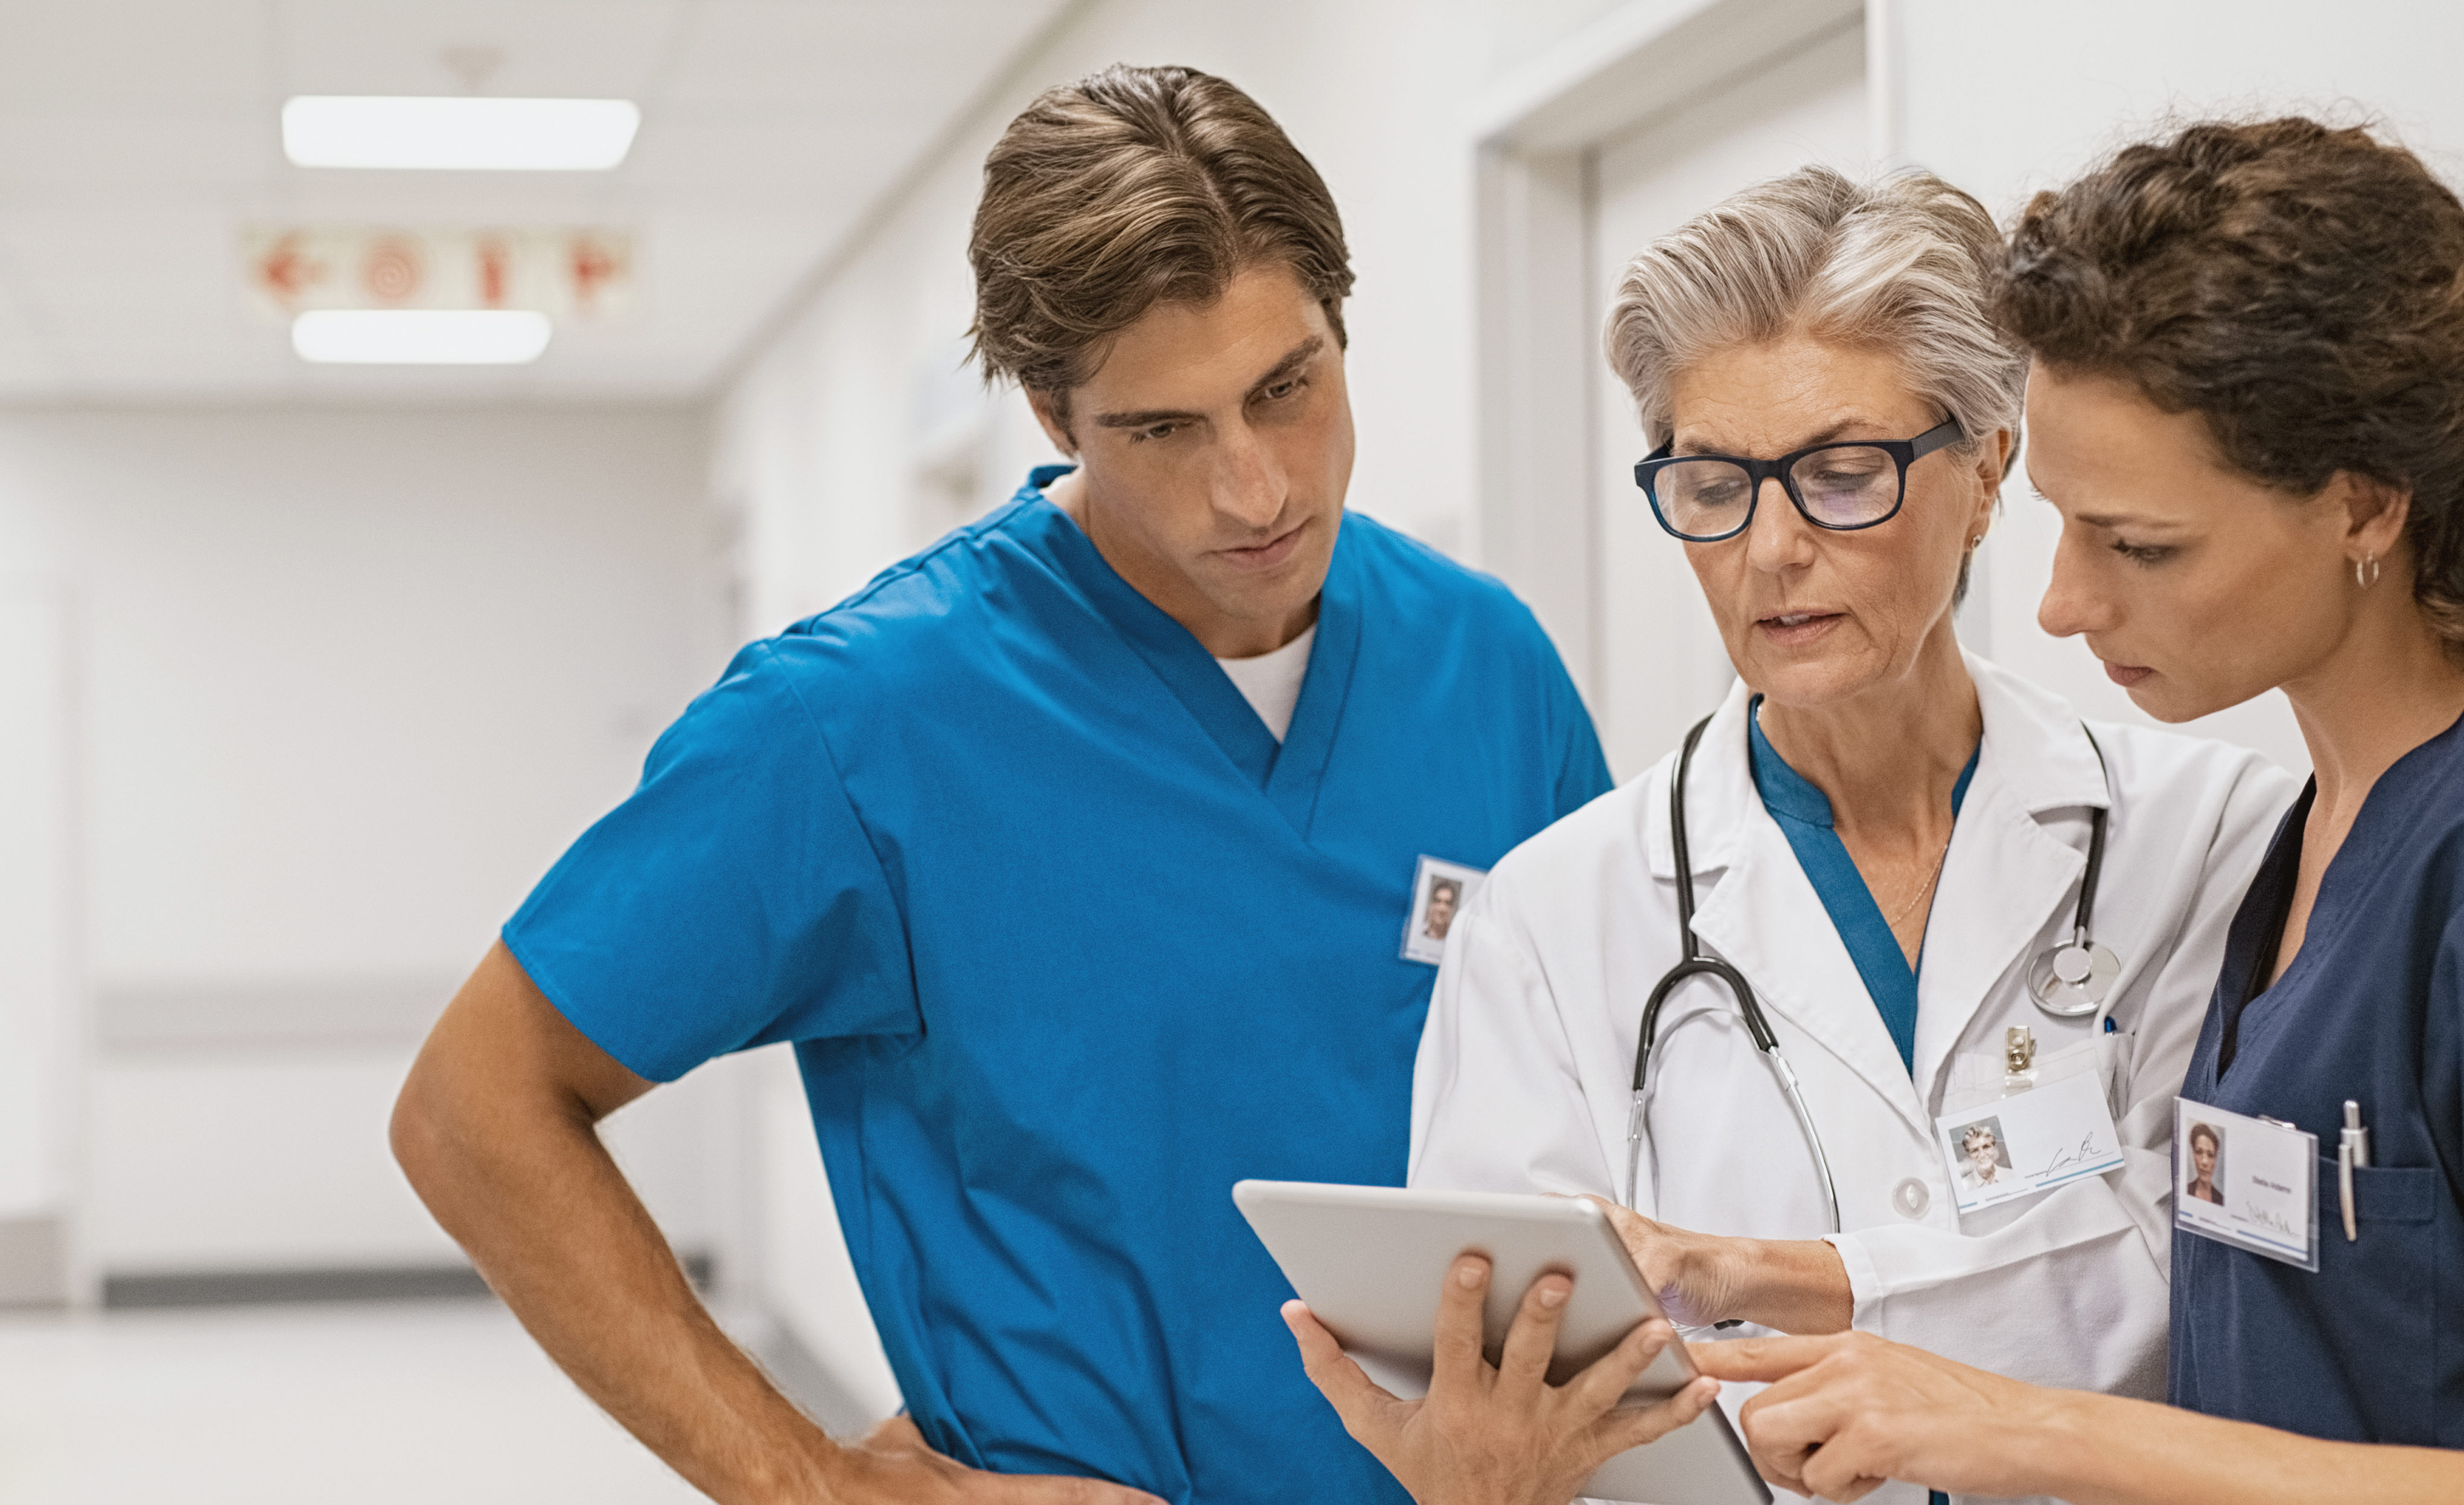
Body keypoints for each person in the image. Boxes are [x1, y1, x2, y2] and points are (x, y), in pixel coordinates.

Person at [388, 65, 1608, 1505]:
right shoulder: (857, 724)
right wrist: (815, 1487)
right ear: (1049, 410)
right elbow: (474, 1107)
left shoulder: (1487, 664)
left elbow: (1618, 1104)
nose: (1255, 488)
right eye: (1164, 429)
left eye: (1288, 389)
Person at [1688, 118, 2464, 1505]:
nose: (2061, 602)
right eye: (2059, 519)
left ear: (2363, 507)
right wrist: (1790, 1281)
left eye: (2140, 545)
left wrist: (2015, 1429)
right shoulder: (2315, 838)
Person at [1288, 167, 2296, 1505]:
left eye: (1838, 474)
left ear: (1988, 468)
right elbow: (1521, 1396)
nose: (1769, 548)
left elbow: (2197, 1272)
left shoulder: (2206, 837)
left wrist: (1794, 1284)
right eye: (1711, 483)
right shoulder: (1552, 916)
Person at [2182, 1122, 2220, 1205]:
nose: (2204, 1162)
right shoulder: (2184, 1191)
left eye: (2210, 1155)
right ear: (2193, 1155)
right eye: (2199, 1152)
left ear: (2215, 1159)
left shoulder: (2222, 1200)